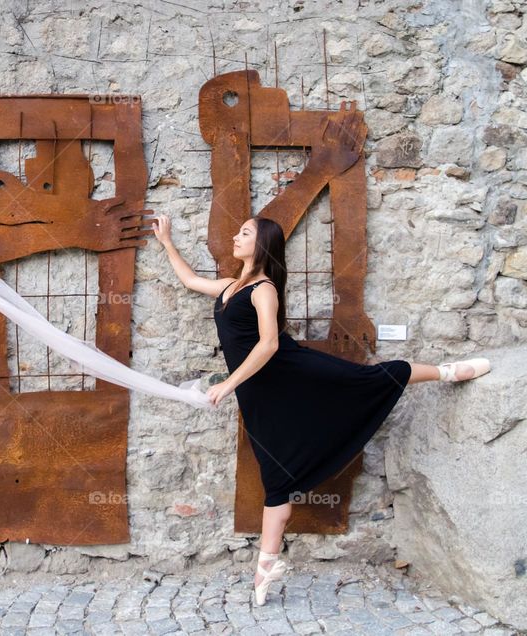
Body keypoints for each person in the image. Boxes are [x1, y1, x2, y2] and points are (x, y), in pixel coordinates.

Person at [151, 212, 491, 606]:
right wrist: (167, 243)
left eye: (244, 233)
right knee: (275, 474)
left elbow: (268, 345)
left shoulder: (263, 290)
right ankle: (267, 566)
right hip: (261, 394)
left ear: (261, 244)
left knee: (369, 379)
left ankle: (447, 371)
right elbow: (191, 281)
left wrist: (227, 384)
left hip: (290, 372)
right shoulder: (230, 286)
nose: (235, 236)